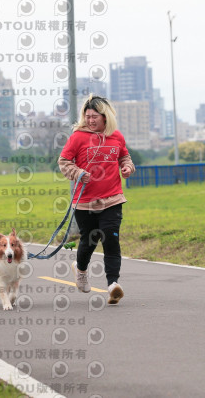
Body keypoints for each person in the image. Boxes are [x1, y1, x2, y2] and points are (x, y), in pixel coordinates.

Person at [58, 94, 135, 304]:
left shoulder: (116, 136)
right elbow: (64, 161)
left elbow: (124, 156)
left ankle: (113, 284)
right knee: (89, 241)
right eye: (88, 116)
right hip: (85, 202)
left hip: (112, 199)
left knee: (111, 239)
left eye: (95, 117)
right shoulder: (78, 137)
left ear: (105, 117)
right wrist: (78, 173)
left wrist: (127, 167)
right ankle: (80, 270)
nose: (90, 120)